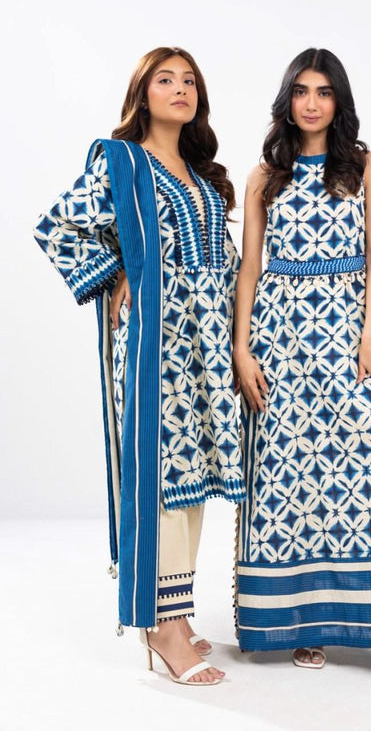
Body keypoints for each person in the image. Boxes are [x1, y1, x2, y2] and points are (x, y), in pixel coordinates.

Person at [33, 46, 245, 685]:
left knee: (192, 476)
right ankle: (159, 628)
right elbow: (56, 227)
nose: (180, 89)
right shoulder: (122, 162)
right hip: (156, 343)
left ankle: (176, 613)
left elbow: (225, 260)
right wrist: (115, 271)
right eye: (165, 79)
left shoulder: (201, 177)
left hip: (206, 347)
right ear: (143, 94)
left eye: (190, 81)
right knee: (160, 473)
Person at [233, 48, 371, 676]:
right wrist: (242, 348)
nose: (312, 103)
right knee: (291, 478)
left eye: (323, 92)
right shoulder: (265, 176)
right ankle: (304, 622)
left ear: (339, 100)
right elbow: (250, 268)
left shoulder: (366, 166)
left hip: (348, 334)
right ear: (287, 99)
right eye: (301, 91)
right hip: (280, 339)